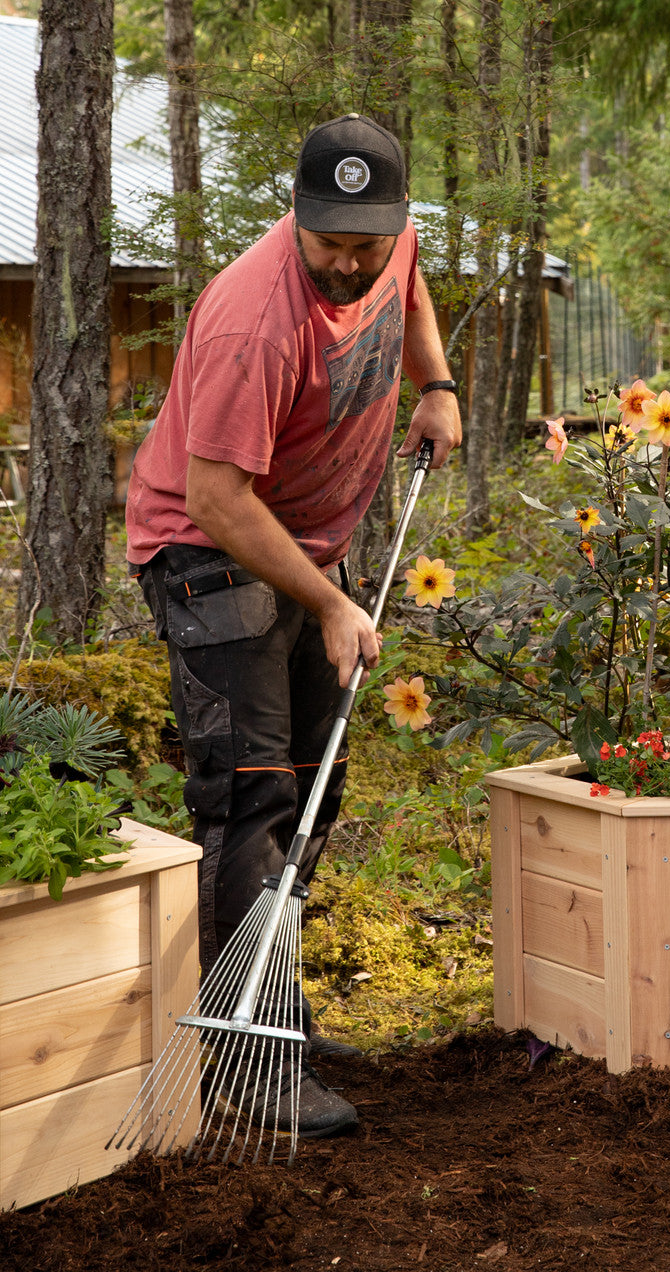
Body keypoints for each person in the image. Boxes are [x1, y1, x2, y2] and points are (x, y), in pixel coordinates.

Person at [126, 114, 462, 1138]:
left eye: (366, 239)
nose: (350, 260)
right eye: (330, 244)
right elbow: (217, 498)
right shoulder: (251, 322)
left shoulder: (383, 243)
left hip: (309, 549)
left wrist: (434, 382)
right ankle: (245, 1061)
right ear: (296, 217)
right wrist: (327, 600)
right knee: (254, 796)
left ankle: (277, 1009)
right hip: (209, 553)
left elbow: (407, 284)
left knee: (315, 787)